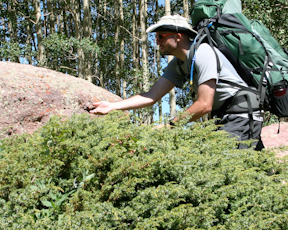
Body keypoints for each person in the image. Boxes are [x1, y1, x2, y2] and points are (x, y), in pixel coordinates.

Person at [90, 15, 264, 150]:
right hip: (224, 118)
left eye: (160, 36)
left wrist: (169, 126)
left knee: (226, 174)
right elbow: (151, 96)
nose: (156, 42)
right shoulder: (179, 64)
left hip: (241, 116)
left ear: (178, 36)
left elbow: (204, 105)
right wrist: (112, 106)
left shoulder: (204, 53)